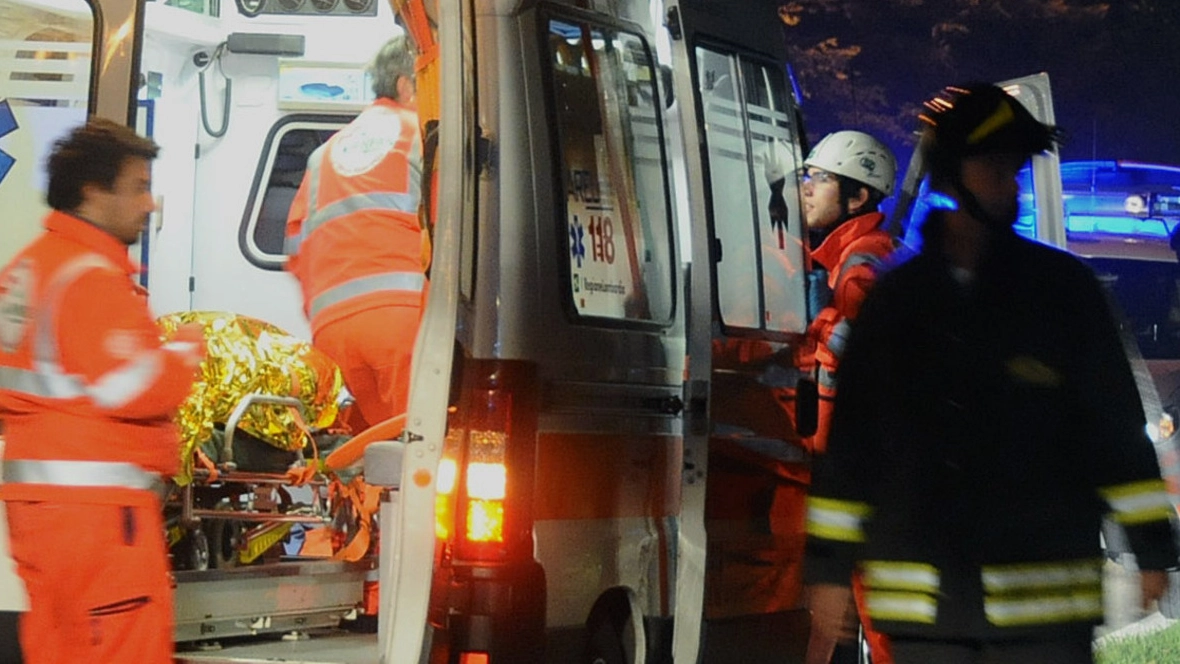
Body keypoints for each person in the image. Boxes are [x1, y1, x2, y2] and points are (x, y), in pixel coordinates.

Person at [804, 83, 1180, 664]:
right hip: (927, 616)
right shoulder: (897, 302)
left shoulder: (1062, 294)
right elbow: (852, 449)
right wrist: (828, 565)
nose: (1012, 185)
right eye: (996, 167)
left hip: (1043, 618)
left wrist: (1152, 550)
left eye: (1016, 169)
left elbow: (1115, 434)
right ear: (953, 174)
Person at [0, 119, 205, 663]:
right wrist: (184, 348)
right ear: (94, 191)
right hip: (100, 521)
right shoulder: (87, 276)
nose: (150, 203)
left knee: (60, 649)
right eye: (138, 186)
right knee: (119, 648)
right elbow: (135, 387)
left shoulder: (29, 269)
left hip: (45, 515)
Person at [791, 131, 898, 664]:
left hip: (869, 482)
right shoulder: (844, 260)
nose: (805, 188)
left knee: (881, 630)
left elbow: (848, 365)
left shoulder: (862, 270)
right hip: (859, 476)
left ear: (858, 198)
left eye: (820, 178)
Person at [285, 35, 426, 434]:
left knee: (382, 449)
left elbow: (295, 250)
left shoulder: (325, 152)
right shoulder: (421, 134)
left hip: (332, 332)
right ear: (405, 85)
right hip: (403, 321)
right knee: (422, 449)